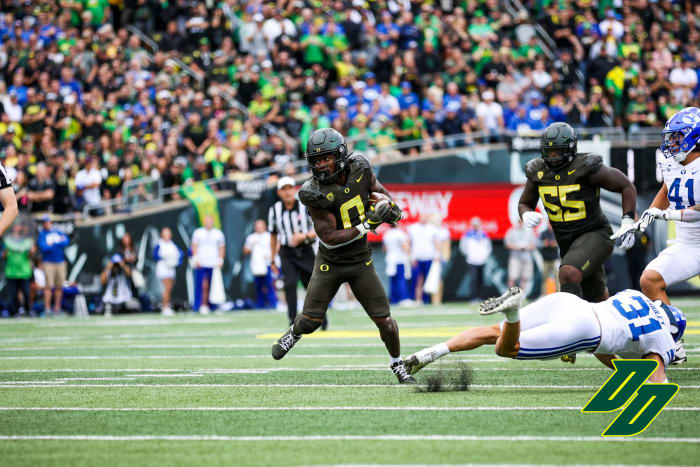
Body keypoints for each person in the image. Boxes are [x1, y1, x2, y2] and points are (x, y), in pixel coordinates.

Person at [270, 127, 415, 384]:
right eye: (316, 160)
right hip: (331, 262)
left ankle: (397, 364)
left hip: (361, 261)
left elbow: (380, 191)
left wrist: (392, 209)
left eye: (325, 157)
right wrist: (368, 224)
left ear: (340, 155)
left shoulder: (360, 167)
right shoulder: (311, 191)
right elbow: (330, 238)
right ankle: (294, 331)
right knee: (312, 321)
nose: (321, 164)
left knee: (386, 321)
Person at [518, 122, 637, 364]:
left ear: (570, 149)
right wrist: (525, 213)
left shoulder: (586, 167)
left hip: (596, 234)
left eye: (558, 151)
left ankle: (568, 339)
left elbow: (626, 185)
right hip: (568, 242)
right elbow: (525, 202)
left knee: (569, 274)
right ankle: (628, 355)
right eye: (548, 152)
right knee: (599, 306)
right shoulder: (538, 171)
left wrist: (627, 219)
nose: (552, 156)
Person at [405, 287, 685, 386]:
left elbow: (610, 344)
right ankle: (513, 311)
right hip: (585, 329)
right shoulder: (663, 336)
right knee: (506, 348)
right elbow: (656, 381)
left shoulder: (635, 295)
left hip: (569, 302)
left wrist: (620, 367)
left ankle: (429, 353)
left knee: (494, 333)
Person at [619, 107, 700, 365]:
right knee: (650, 280)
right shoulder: (671, 162)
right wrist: (650, 213)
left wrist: (669, 216)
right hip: (690, 243)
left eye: (677, 137)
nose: (671, 143)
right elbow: (667, 187)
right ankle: (672, 345)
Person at [268, 176, 324, 326]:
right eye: (284, 189)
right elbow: (273, 236)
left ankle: (320, 317)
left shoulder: (305, 206)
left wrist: (304, 235)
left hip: (306, 249)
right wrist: (272, 258)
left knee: (312, 285)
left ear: (295, 189)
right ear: (279, 192)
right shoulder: (274, 210)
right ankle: (292, 320)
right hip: (287, 252)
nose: (287, 192)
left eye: (289, 188)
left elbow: (319, 227)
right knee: (289, 284)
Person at [191, 215, 225, 314]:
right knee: (202, 285)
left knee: (214, 285)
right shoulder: (198, 233)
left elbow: (222, 247)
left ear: (213, 221)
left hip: (213, 264)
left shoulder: (218, 233)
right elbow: (194, 246)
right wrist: (196, 258)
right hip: (202, 263)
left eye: (209, 221)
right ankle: (201, 305)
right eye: (206, 221)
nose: (208, 223)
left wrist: (220, 259)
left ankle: (213, 305)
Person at [37, 215, 70, 316]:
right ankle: (47, 308)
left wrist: (53, 244)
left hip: (60, 262)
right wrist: (57, 243)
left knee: (59, 286)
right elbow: (43, 247)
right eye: (44, 222)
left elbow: (66, 241)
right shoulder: (42, 234)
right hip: (48, 262)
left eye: (46, 222)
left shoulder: (57, 231)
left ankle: (57, 308)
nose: (45, 224)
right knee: (48, 286)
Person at [243, 219, 277, 309]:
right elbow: (245, 250)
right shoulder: (251, 237)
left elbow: (277, 246)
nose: (259, 228)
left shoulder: (269, 236)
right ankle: (260, 304)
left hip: (268, 263)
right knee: (259, 285)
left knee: (270, 284)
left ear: (265, 226)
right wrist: (253, 246)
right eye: (257, 226)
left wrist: (271, 256)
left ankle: (272, 303)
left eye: (260, 226)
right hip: (257, 265)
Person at [3, 222, 35, 316]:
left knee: (26, 292)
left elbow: (30, 255)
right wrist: (7, 251)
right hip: (11, 271)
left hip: (24, 271)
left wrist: (32, 251)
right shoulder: (8, 241)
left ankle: (28, 310)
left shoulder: (26, 241)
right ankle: (15, 311)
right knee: (13, 294)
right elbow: (4, 256)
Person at [407, 214, 437, 304]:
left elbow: (436, 243)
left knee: (428, 279)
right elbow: (409, 243)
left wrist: (436, 255)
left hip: (429, 257)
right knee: (417, 279)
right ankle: (417, 299)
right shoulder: (412, 228)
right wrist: (411, 257)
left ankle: (427, 299)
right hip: (417, 257)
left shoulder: (432, 229)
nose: (424, 219)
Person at [153, 227, 182, 316]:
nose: (167, 236)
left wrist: (176, 260)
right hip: (163, 268)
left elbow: (180, 254)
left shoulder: (172, 244)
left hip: (171, 268)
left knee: (169, 289)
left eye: (168, 234)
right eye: (165, 234)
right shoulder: (159, 244)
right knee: (167, 288)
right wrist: (165, 257)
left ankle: (167, 306)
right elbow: (155, 256)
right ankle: (165, 307)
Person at [504, 220, 538, 293]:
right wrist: (516, 246)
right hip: (515, 257)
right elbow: (507, 244)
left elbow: (534, 246)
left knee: (525, 278)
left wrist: (526, 247)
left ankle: (521, 296)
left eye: (521, 222)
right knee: (513, 277)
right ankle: (509, 295)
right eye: (519, 222)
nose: (520, 224)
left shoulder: (529, 232)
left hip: (527, 258)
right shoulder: (511, 231)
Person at [382, 224, 411, 305]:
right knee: (401, 279)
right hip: (399, 259)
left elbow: (384, 248)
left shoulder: (387, 234)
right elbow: (404, 246)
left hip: (390, 259)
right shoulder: (400, 233)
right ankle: (403, 298)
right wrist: (409, 256)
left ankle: (394, 300)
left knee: (393, 281)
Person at [538, 222, 560, 296]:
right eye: (549, 224)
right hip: (546, 259)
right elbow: (538, 244)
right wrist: (544, 243)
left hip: (555, 258)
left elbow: (561, 242)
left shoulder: (557, 233)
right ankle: (543, 294)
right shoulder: (544, 233)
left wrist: (555, 243)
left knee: (557, 276)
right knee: (544, 276)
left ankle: (558, 293)